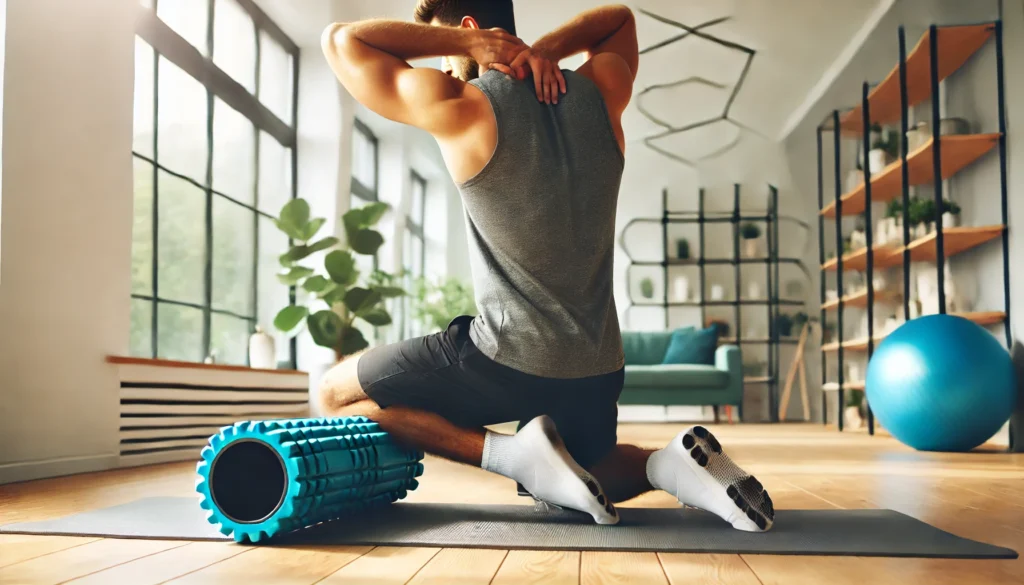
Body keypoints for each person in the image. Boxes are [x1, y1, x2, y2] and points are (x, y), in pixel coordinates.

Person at [318, 0, 774, 532]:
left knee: (335, 394)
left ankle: (511, 456)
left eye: (447, 50)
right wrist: (542, 51)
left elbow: (339, 41)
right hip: (597, 364)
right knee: (585, 476)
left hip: (503, 356)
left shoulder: (461, 102)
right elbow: (619, 19)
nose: (444, 66)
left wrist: (469, 50)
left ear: (469, 32)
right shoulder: (601, 94)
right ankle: (668, 464)